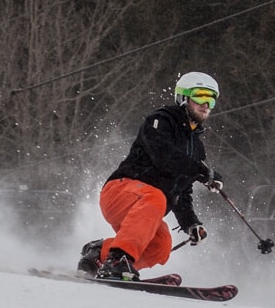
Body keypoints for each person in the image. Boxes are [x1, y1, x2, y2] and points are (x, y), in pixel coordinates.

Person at [77, 71, 224, 280]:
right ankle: (119, 260)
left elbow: (182, 188)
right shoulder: (160, 120)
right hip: (120, 192)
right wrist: (202, 171)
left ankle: (99, 254)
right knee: (155, 196)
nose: (206, 104)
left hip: (146, 211)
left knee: (161, 245)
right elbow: (164, 155)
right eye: (200, 96)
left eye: (212, 99)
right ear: (184, 97)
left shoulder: (196, 148)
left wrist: (191, 223)